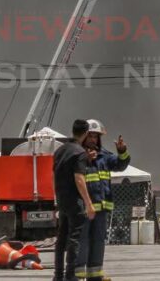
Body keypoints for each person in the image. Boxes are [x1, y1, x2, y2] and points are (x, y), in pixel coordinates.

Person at [76, 119, 130, 281]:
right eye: (90, 136)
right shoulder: (76, 155)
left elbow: (120, 165)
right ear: (84, 136)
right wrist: (85, 159)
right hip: (84, 208)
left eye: (96, 136)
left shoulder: (104, 156)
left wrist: (122, 152)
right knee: (82, 241)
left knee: (98, 241)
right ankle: (77, 276)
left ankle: (95, 275)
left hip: (101, 209)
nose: (93, 139)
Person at [53, 119, 97, 281]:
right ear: (85, 134)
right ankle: (70, 276)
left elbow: (57, 175)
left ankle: (58, 276)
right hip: (75, 203)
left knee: (61, 239)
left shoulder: (60, 151)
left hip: (62, 201)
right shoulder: (79, 152)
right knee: (74, 238)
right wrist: (89, 203)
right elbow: (79, 178)